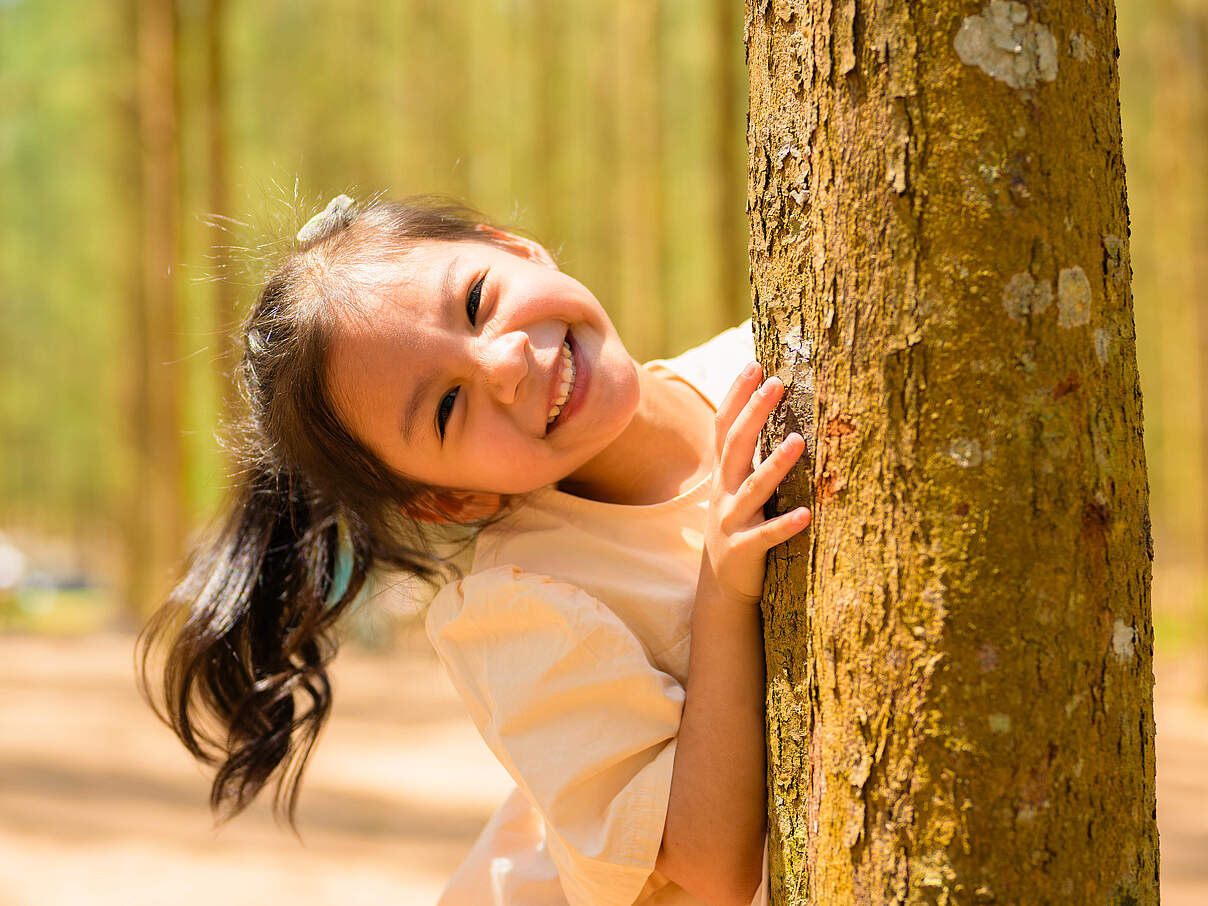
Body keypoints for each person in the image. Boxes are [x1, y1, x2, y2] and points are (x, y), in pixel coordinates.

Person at [139, 195, 813, 906]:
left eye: (475, 300)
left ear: (518, 248)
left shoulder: (763, 354)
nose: (507, 362)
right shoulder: (523, 601)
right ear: (449, 500)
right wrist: (724, 592)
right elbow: (712, 864)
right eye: (446, 408)